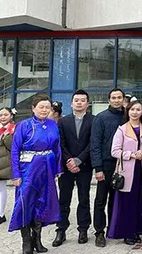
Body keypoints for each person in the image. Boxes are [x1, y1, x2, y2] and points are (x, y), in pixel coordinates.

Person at [9, 94, 63, 254]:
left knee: (43, 203)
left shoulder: (53, 125)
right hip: (28, 170)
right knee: (25, 203)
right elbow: (14, 150)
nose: (44, 110)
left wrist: (58, 169)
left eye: (47, 107)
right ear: (33, 108)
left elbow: (57, 148)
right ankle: (26, 241)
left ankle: (37, 239)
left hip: (47, 170)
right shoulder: (23, 125)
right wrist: (16, 174)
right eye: (41, 107)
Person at [53, 90, 95, 247]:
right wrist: (69, 160)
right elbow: (60, 143)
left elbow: (93, 143)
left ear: (87, 104)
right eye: (76, 100)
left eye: (83, 100)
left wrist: (79, 160)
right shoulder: (63, 122)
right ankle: (61, 230)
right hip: (66, 166)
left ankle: (83, 229)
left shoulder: (94, 120)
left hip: (84, 165)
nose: (79, 103)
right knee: (64, 198)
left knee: (84, 198)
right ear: (71, 103)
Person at [107, 99, 142, 245]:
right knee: (127, 203)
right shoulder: (121, 129)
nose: (135, 112)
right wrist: (131, 154)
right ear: (128, 111)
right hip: (127, 171)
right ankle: (127, 233)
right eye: (132, 109)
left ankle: (139, 230)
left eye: (138, 110)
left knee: (141, 202)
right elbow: (114, 151)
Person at [90, 88, 125, 247]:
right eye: (114, 97)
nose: (117, 100)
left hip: (124, 165)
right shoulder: (101, 118)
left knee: (118, 199)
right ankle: (99, 232)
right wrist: (98, 168)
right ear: (109, 99)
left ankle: (115, 227)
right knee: (101, 200)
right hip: (106, 164)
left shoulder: (127, 115)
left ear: (123, 99)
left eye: (119, 97)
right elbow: (95, 144)